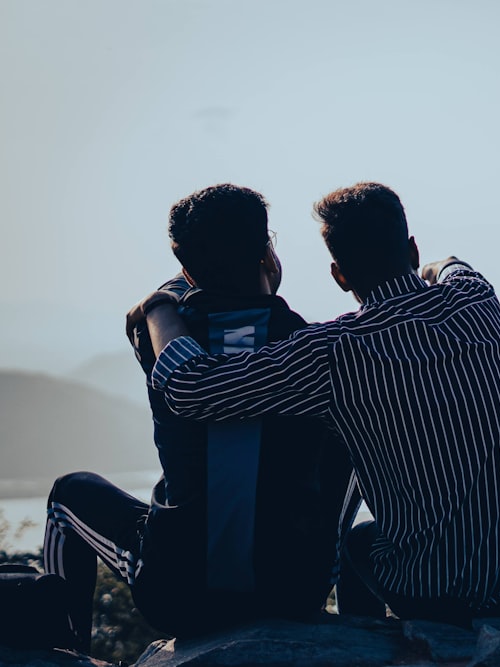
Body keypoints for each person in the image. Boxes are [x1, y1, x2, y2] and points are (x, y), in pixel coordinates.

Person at [133, 182, 500, 624]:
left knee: (363, 539)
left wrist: (158, 307)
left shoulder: (331, 351)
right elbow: (453, 265)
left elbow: (191, 387)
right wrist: (429, 269)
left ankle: (367, 644)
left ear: (339, 275)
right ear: (411, 248)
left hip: (429, 599)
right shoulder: (476, 300)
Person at [43, 184, 360, 651]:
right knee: (346, 442)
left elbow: (183, 299)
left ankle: (66, 651)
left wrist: (160, 303)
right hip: (293, 591)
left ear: (188, 270)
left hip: (180, 597)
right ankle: (359, 625)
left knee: (67, 495)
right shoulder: (311, 346)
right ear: (269, 254)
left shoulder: (165, 348)